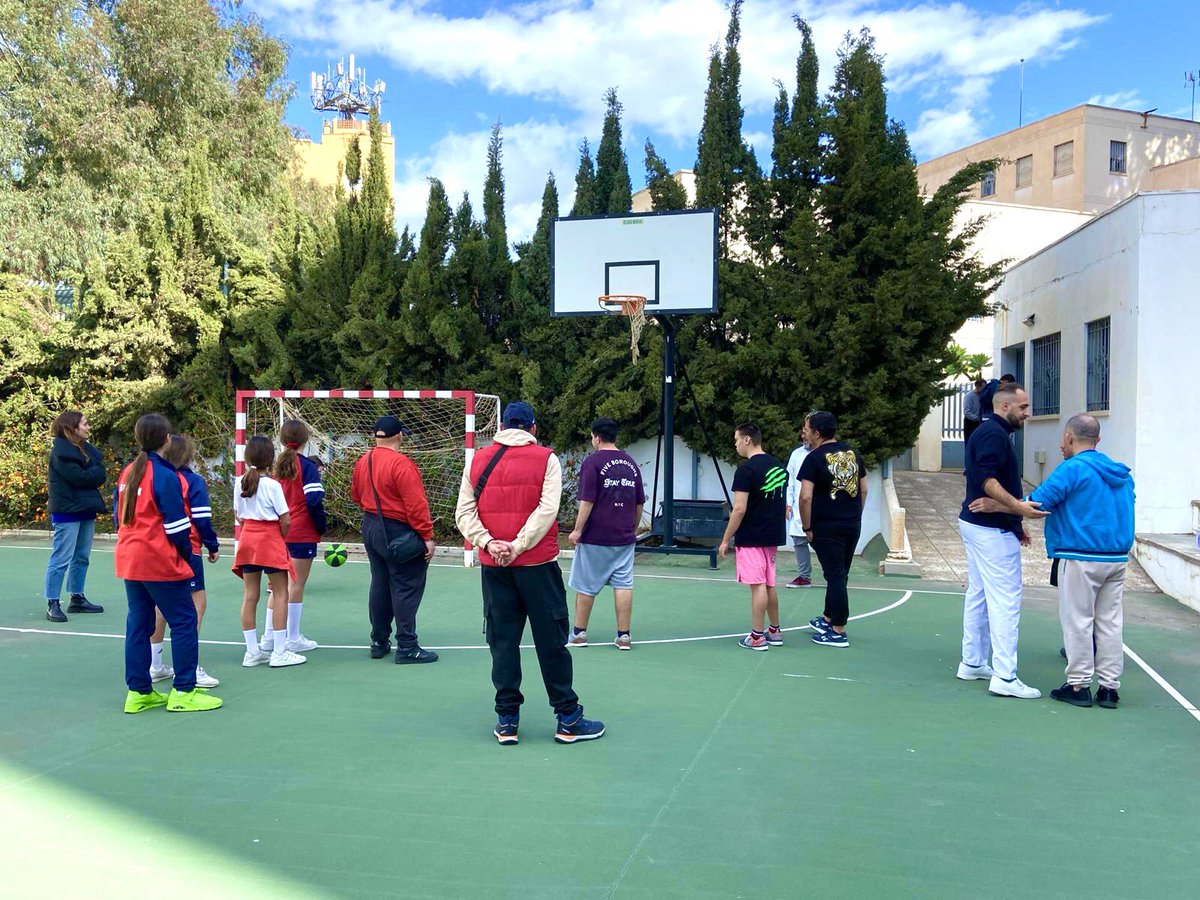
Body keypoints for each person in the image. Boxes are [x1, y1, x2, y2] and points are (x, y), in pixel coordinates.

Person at [456, 401, 604, 745]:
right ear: (532, 428)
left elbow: (464, 511)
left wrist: (490, 543)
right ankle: (568, 718)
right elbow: (547, 510)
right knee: (551, 641)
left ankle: (507, 720)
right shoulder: (545, 459)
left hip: (495, 568)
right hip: (537, 566)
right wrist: (519, 545)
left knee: (502, 642)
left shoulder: (478, 459)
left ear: (503, 425)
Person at [973, 415, 1135, 709]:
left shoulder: (1071, 470)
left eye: (1063, 439)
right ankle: (1110, 689)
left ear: (1070, 438)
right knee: (1110, 623)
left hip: (1080, 556)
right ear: (1097, 440)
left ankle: (1079, 684)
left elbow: (1036, 503)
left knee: (1078, 621)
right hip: (1117, 558)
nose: (1061, 445)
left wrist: (996, 504)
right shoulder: (1121, 473)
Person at [114, 414, 221, 713]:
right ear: (166, 439)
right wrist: (188, 557)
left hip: (129, 558)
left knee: (139, 622)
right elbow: (177, 527)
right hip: (157, 560)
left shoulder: (127, 473)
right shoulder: (165, 476)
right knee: (185, 621)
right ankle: (184, 691)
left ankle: (138, 692)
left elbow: (118, 517)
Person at [957, 382, 1048, 699]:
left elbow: (985, 483)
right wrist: (1017, 507)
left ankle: (972, 662)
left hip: (982, 525)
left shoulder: (989, 433)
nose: (1028, 413)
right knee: (1006, 601)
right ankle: (1006, 677)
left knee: (979, 594)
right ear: (1005, 407)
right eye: (1023, 408)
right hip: (989, 531)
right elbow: (986, 479)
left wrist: (1012, 518)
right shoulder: (994, 435)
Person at [350, 416, 437, 664]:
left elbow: (356, 495)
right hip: (397, 530)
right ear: (400, 436)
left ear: (375, 437)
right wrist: (427, 536)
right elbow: (416, 505)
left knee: (379, 583)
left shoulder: (363, 461)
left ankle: (379, 641)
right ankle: (407, 646)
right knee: (406, 586)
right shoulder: (402, 464)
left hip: (371, 526)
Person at [145, 434, 221, 688]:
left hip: (157, 550)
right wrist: (212, 544)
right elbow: (201, 519)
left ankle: (155, 665)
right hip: (187, 549)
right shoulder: (192, 481)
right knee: (196, 605)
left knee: (160, 607)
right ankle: (188, 668)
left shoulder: (153, 476)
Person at [567, 417, 645, 650]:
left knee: (586, 585)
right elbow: (639, 502)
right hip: (623, 536)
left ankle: (579, 634)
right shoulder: (631, 463)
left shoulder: (592, 463)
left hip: (595, 536)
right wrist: (632, 526)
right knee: (623, 584)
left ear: (597, 437)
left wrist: (577, 530)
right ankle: (624, 636)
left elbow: (587, 500)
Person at [234, 436, 304, 669]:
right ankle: (279, 651)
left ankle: (252, 651)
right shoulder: (273, 485)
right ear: (271, 459)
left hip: (247, 539)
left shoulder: (239, 482)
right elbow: (285, 519)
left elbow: (238, 515)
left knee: (249, 595)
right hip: (269, 538)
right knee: (281, 592)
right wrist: (280, 538)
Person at [798, 412, 867, 649]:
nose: (803, 433)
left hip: (826, 526)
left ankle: (838, 629)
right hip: (851, 523)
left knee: (835, 574)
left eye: (806, 428)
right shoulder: (853, 453)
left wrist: (807, 527)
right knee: (839, 573)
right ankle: (828, 618)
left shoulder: (813, 458)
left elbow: (806, 497)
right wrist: (856, 514)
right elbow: (864, 489)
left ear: (817, 432)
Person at [718, 422, 788, 651]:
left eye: (737, 439)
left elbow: (739, 509)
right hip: (772, 535)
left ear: (747, 439)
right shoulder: (778, 467)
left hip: (752, 536)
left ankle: (757, 637)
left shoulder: (746, 470)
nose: (735, 444)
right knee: (769, 584)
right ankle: (774, 631)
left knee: (757, 585)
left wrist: (726, 538)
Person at [260, 420, 327, 656]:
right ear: (306, 439)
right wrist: (321, 525)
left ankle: (268, 637)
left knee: (277, 587)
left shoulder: (274, 467)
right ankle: (294, 637)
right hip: (301, 531)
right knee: (295, 585)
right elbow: (314, 499)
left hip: (278, 532)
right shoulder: (307, 467)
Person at [44, 410, 107, 623]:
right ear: (72, 427)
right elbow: (79, 477)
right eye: (85, 424)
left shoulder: (83, 449)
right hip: (67, 511)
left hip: (85, 508)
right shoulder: (61, 452)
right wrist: (96, 474)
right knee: (61, 557)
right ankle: (52, 602)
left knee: (82, 556)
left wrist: (95, 474)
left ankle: (77, 598)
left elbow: (93, 474)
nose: (88, 427)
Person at [784, 428, 813, 589]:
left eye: (806, 432)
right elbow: (790, 481)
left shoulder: (825, 454)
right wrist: (788, 503)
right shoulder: (796, 454)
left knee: (824, 543)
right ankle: (804, 577)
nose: (803, 436)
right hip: (799, 506)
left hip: (820, 508)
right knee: (799, 541)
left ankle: (834, 576)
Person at [963, 379, 984, 444]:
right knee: (970, 442)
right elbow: (966, 412)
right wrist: (976, 418)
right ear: (977, 386)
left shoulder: (982, 395)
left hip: (979, 422)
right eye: (983, 387)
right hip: (971, 422)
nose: (984, 389)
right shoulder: (969, 396)